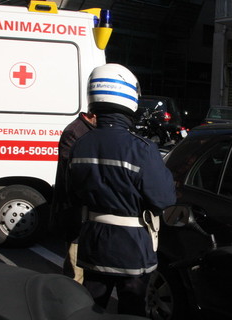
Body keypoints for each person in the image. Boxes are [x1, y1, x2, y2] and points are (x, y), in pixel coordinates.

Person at [67, 63, 176, 316]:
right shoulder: (142, 148)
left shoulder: (80, 144)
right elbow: (163, 198)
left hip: (93, 242)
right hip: (132, 248)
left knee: (91, 310)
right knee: (132, 311)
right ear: (128, 97)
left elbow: (72, 194)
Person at [51, 111, 97, 284]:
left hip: (87, 215)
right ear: (91, 114)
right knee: (75, 273)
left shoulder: (89, 130)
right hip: (75, 212)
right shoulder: (74, 131)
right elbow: (71, 171)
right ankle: (70, 306)